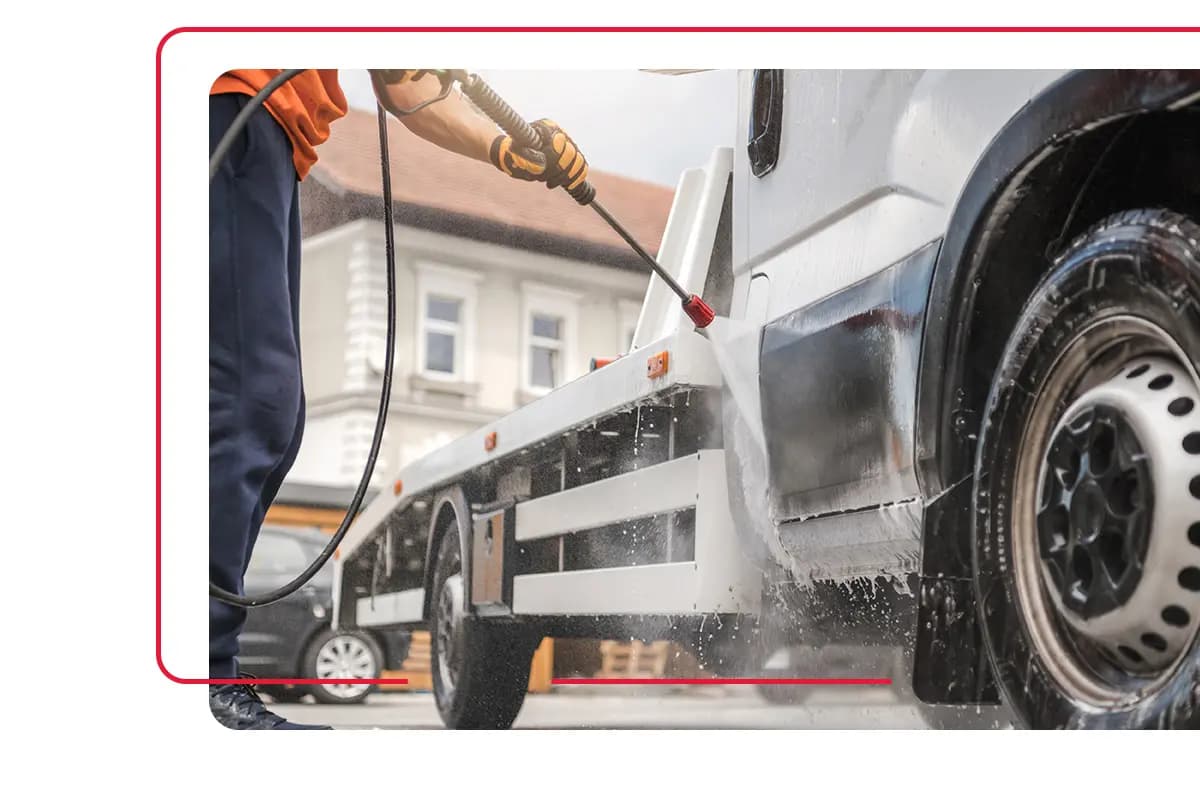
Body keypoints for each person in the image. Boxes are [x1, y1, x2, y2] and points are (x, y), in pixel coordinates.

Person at [209, 69, 588, 729]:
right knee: (249, 407)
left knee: (273, 419)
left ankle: (203, 670)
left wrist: (508, 148)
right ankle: (199, 677)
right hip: (233, 101)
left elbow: (407, 82)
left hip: (272, 134)